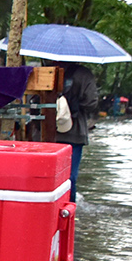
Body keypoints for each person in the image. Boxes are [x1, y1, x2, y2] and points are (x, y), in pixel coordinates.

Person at [50, 61, 98, 201]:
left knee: (47, 174)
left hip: (46, 132)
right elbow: (91, 102)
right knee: (69, 176)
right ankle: (68, 210)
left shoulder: (45, 71)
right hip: (74, 132)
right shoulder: (84, 74)